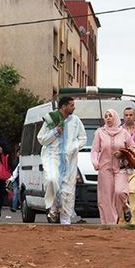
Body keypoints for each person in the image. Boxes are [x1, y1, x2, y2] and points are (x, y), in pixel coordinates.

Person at [37, 96, 88, 225]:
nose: (74, 107)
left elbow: (83, 138)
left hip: (69, 160)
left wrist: (73, 147)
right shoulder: (51, 119)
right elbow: (41, 139)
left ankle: (65, 220)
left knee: (67, 189)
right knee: (51, 179)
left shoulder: (76, 121)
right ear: (64, 107)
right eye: (71, 105)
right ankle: (53, 207)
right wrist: (54, 133)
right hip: (52, 157)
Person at [90, 109, 135, 224]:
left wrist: (123, 153)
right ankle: (110, 224)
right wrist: (95, 162)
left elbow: (133, 147)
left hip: (120, 168)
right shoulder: (100, 132)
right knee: (106, 198)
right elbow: (95, 150)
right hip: (105, 169)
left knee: (120, 192)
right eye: (106, 116)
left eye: (110, 116)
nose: (108, 118)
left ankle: (125, 207)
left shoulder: (123, 132)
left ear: (115, 117)